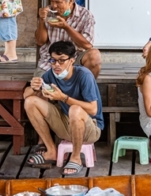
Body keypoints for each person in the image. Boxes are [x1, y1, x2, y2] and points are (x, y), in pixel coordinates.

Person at [24, 41, 103, 177]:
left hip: (91, 129)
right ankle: (50, 151)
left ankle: (76, 157)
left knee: (75, 109)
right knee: (30, 102)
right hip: (66, 125)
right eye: (53, 61)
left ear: (72, 60)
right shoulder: (50, 74)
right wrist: (33, 87)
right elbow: (26, 95)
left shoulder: (84, 75)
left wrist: (63, 98)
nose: (56, 65)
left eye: (61, 61)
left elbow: (93, 110)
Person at [36, 0, 101, 79]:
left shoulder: (86, 15)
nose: (53, 5)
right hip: (51, 61)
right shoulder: (48, 12)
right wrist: (41, 20)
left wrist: (66, 27)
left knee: (94, 55)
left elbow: (87, 44)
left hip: (74, 60)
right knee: (41, 88)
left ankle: (86, 90)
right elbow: (40, 41)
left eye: (58, 2)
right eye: (51, 1)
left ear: (70, 0)